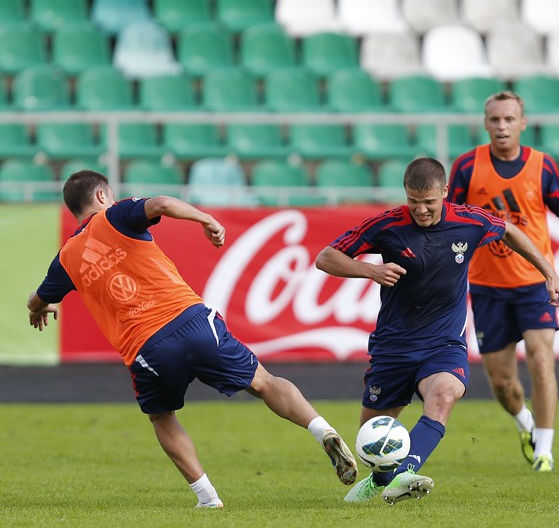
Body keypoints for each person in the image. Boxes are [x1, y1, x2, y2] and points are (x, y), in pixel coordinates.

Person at [27, 170, 358, 509]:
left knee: (162, 417)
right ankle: (322, 431)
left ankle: (208, 497)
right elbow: (164, 203)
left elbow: (36, 299)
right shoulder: (115, 216)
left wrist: (42, 307)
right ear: (101, 196)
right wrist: (205, 218)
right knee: (263, 381)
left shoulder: (66, 259)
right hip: (192, 321)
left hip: (147, 348)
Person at [315, 157, 559, 504]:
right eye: (413, 201)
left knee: (444, 394)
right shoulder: (386, 225)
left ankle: (405, 473)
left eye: (429, 202)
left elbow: (510, 232)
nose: (421, 210)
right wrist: (369, 271)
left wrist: (548, 273)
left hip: (443, 342)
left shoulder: (469, 221)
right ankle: (382, 477)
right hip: (394, 344)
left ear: (445, 192)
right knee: (370, 435)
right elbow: (325, 257)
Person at [447, 91, 559, 472]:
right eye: (495, 120)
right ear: (485, 123)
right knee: (503, 383)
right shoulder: (466, 168)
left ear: (523, 123)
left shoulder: (542, 167)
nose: (502, 126)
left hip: (535, 283)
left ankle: (545, 449)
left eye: (509, 119)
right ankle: (526, 423)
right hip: (487, 286)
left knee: (542, 361)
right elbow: (447, 220)